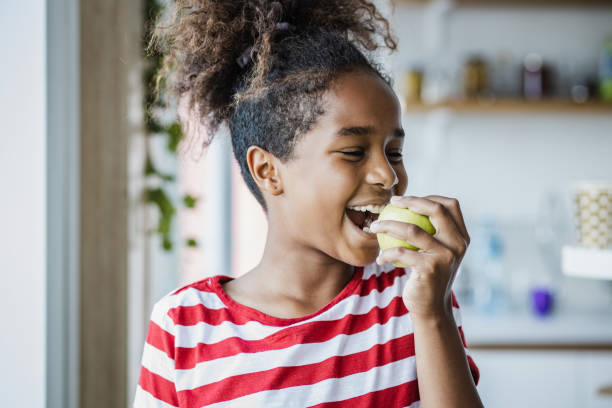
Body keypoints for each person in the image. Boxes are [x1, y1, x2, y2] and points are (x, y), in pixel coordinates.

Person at [134, 1, 482, 407]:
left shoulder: (412, 298)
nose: (388, 176)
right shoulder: (184, 326)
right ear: (268, 171)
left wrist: (433, 312)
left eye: (395, 152)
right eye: (354, 152)